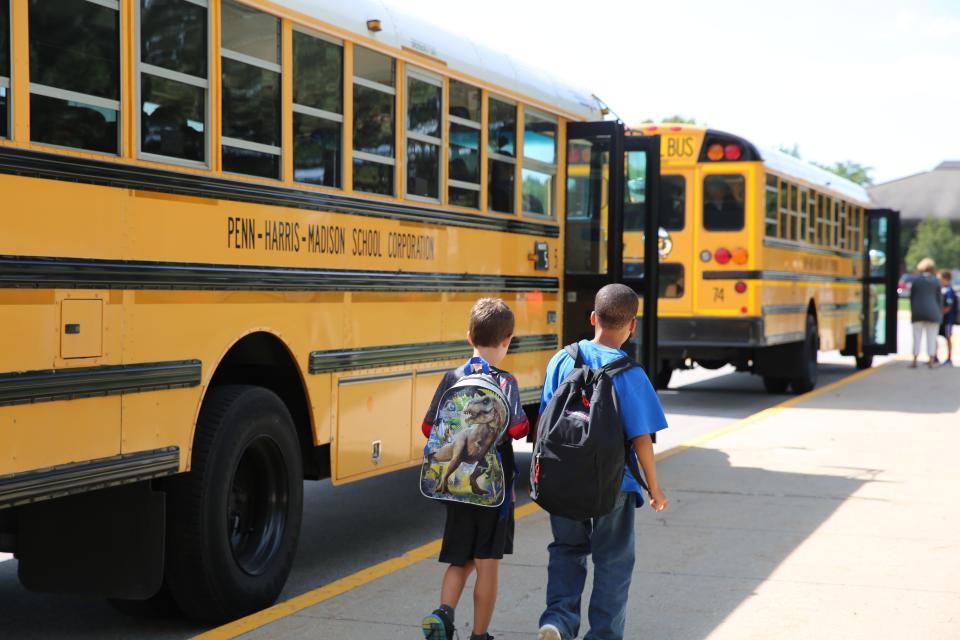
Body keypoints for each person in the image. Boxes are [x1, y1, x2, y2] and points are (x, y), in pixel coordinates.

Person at [537, 284, 669, 640]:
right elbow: (642, 439)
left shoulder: (562, 359)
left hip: (563, 479)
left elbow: (547, 418)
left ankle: (558, 621)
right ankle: (604, 635)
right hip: (616, 485)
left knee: (566, 549)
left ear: (593, 318)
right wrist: (653, 487)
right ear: (632, 326)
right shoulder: (631, 374)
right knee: (613, 561)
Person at [421, 298, 530, 640]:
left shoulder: (452, 376)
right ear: (507, 340)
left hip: (454, 488)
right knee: (487, 563)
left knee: (458, 558)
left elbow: (429, 429)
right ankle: (480, 635)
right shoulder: (506, 382)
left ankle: (443, 614)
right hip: (492, 493)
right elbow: (517, 429)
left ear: (469, 336)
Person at [909, 258, 943, 369]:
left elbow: (912, 297)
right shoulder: (936, 281)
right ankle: (931, 361)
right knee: (932, 337)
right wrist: (940, 313)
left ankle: (914, 360)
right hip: (933, 313)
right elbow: (939, 299)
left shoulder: (916, 281)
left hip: (918, 312)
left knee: (917, 336)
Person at [940, 270, 957, 366]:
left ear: (945, 278)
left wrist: (940, 314)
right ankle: (935, 357)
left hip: (948, 319)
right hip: (943, 319)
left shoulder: (949, 290)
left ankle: (949, 358)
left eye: (940, 278)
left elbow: (948, 306)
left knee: (948, 338)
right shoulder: (943, 289)